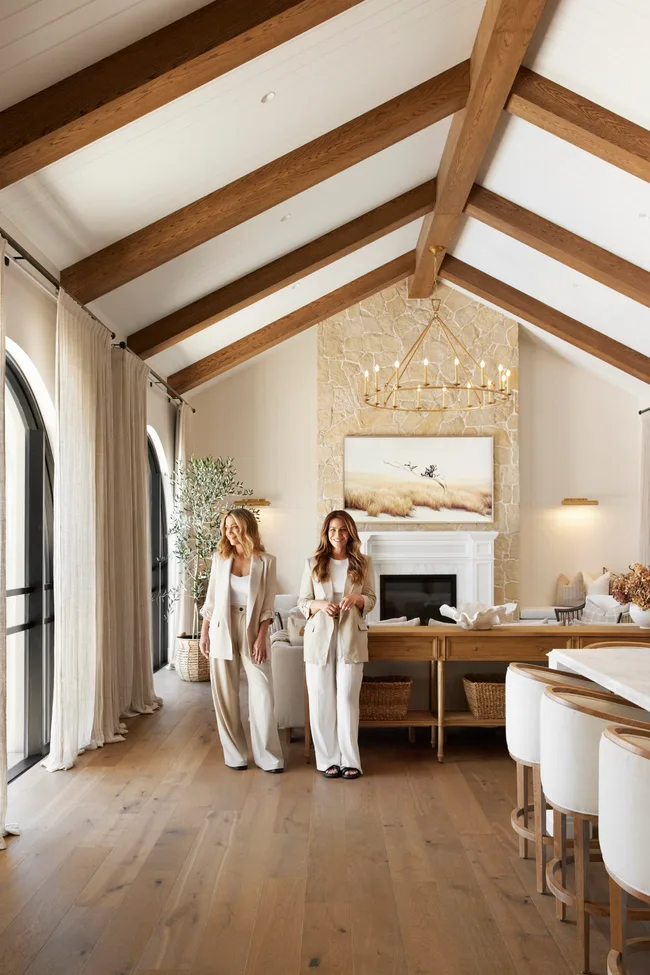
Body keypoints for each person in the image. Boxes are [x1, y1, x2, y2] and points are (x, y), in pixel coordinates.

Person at [199, 508, 284, 773]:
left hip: (253, 627)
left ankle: (268, 756)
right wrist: (204, 633)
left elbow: (268, 605)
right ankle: (235, 754)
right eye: (226, 527)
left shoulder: (267, 561)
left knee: (262, 693)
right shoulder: (220, 558)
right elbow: (211, 600)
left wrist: (261, 637)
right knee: (225, 693)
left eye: (235, 527)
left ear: (247, 528)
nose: (229, 532)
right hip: (221, 626)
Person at [299, 510, 376, 779]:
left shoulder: (363, 562)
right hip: (319, 638)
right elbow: (302, 602)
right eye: (332, 530)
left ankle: (350, 760)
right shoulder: (313, 563)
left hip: (351, 636)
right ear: (326, 533)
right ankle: (327, 760)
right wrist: (320, 605)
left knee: (346, 698)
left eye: (343, 529)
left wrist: (356, 599)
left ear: (350, 533)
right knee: (321, 699)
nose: (337, 535)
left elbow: (371, 598)